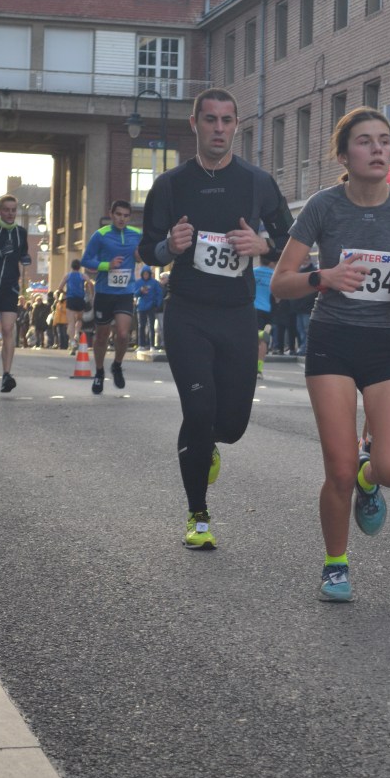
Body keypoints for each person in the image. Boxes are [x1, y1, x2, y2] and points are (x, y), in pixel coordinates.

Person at [271, 107, 390, 602]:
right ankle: (335, 566)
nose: (378, 149)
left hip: (386, 343)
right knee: (339, 468)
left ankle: (371, 480)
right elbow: (281, 283)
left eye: (384, 140)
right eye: (365, 141)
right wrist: (322, 277)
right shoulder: (324, 207)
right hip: (333, 341)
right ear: (344, 155)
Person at [138, 87, 294, 549]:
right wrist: (170, 246)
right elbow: (147, 249)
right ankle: (198, 516)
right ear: (195, 124)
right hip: (187, 312)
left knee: (232, 425)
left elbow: (292, 237)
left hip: (237, 314)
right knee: (199, 410)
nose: (219, 129)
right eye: (210, 120)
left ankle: (207, 446)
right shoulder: (170, 185)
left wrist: (264, 245)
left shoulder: (257, 181)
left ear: (237, 125)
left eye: (227, 120)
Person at [81, 200, 141, 395]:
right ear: (111, 214)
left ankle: (117, 365)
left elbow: (143, 255)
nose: (122, 218)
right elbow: (86, 260)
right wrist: (107, 265)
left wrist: (140, 256)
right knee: (102, 335)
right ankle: (99, 372)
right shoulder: (100, 235)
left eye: (126, 215)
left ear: (129, 217)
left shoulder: (136, 234)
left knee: (123, 334)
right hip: (105, 292)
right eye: (118, 214)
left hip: (125, 292)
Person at [0, 194, 31, 392]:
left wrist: (25, 258)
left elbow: (23, 253)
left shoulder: (21, 232)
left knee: (7, 329)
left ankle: (6, 375)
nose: (11, 213)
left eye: (13, 210)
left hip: (9, 288)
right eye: (7, 210)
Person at [58, 259, 94, 353]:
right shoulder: (82, 275)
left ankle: (72, 342)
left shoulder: (68, 276)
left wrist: (65, 293)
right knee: (79, 319)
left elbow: (59, 288)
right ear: (79, 267)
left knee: (71, 322)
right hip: (80, 299)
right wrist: (91, 294)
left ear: (71, 266)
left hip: (71, 299)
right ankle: (77, 333)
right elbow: (90, 283)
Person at [253, 252, 275, 378]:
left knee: (250, 339)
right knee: (263, 341)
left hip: (253, 309)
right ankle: (259, 370)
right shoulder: (274, 275)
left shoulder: (253, 272)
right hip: (267, 310)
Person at [134, 265, 163, 349]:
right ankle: (141, 345)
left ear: (149, 274)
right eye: (144, 274)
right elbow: (135, 294)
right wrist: (140, 290)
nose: (146, 275)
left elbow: (159, 294)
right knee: (141, 326)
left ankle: (152, 345)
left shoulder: (154, 282)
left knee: (151, 326)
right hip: (141, 307)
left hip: (151, 306)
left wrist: (157, 304)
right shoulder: (138, 282)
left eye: (147, 273)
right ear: (142, 274)